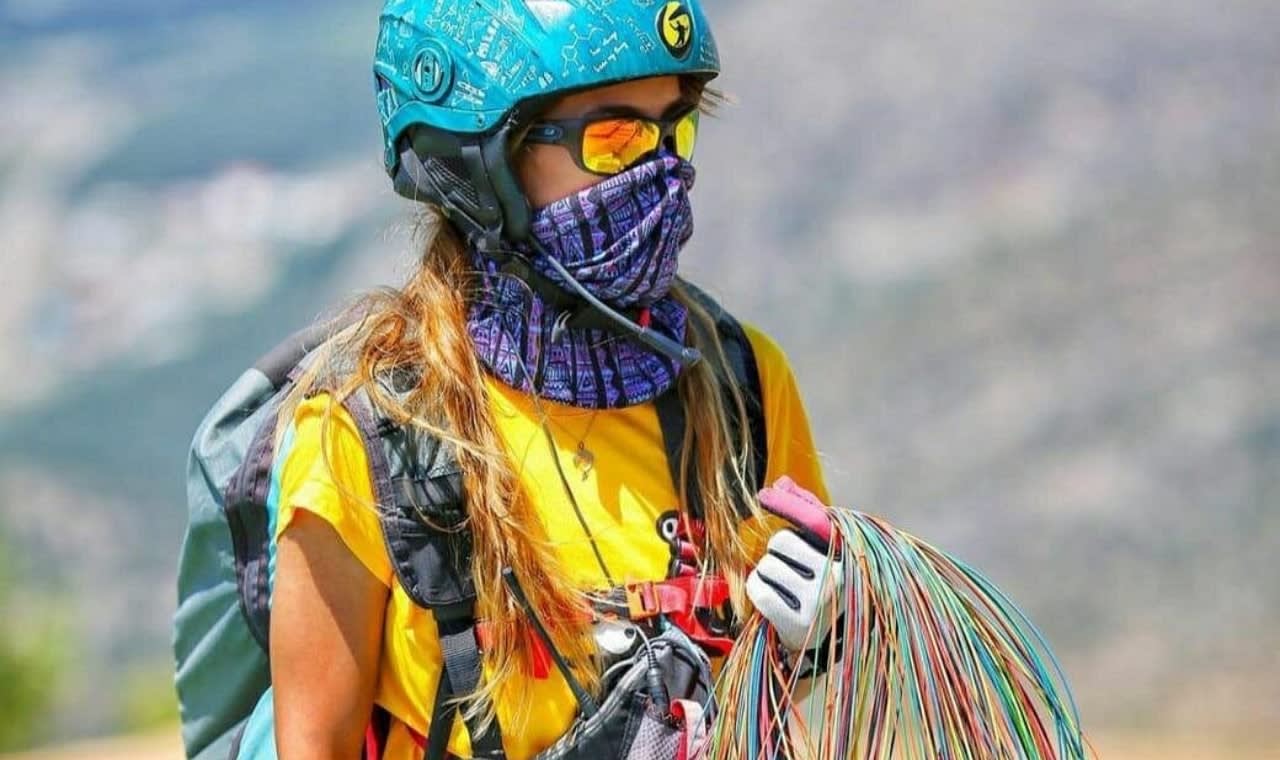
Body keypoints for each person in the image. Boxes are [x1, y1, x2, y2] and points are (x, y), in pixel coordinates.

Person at [267, 2, 839, 758]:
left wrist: (810, 643)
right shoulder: (373, 434)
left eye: (674, 130)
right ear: (482, 162)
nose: (663, 175)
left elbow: (752, 687)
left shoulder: (740, 385)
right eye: (614, 139)